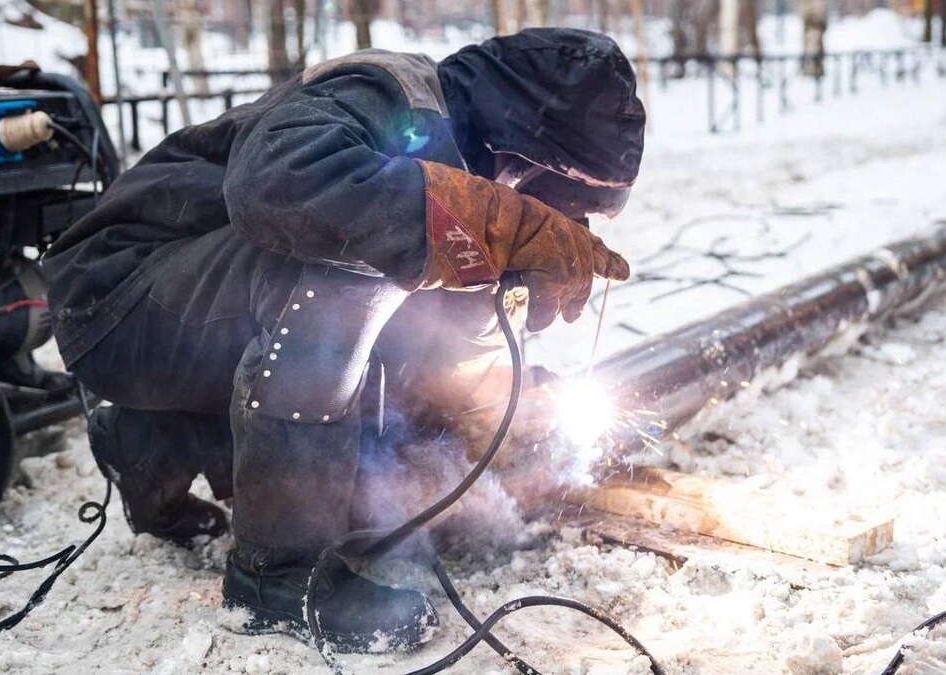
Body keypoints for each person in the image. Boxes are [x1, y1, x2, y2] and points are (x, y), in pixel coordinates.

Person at [44, 28, 645, 652]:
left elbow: (448, 355)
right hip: (114, 299)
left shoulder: (466, 164)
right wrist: (500, 223)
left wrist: (508, 420)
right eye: (563, 205)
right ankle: (276, 576)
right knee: (352, 261)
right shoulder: (383, 91)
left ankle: (155, 440)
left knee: (403, 350)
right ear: (525, 155)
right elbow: (273, 185)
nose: (564, 223)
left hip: (188, 325)